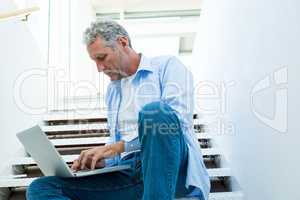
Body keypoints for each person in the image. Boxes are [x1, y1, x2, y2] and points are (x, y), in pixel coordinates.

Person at [26, 20, 210, 200]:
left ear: (122, 43)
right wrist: (102, 160)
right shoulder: (113, 91)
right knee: (42, 187)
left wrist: (118, 146)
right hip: (130, 173)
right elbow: (117, 148)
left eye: (102, 58)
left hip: (173, 167)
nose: (99, 68)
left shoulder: (166, 66)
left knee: (155, 113)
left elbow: (177, 122)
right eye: (95, 61)